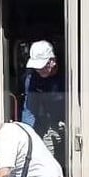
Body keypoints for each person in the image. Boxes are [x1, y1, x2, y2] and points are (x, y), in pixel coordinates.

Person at [21, 40, 66, 170]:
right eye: (36, 67)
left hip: (67, 120)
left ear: (53, 61)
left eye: (42, 66)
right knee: (47, 159)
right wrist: (27, 134)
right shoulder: (32, 78)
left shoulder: (67, 73)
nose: (39, 70)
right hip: (46, 121)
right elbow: (29, 108)